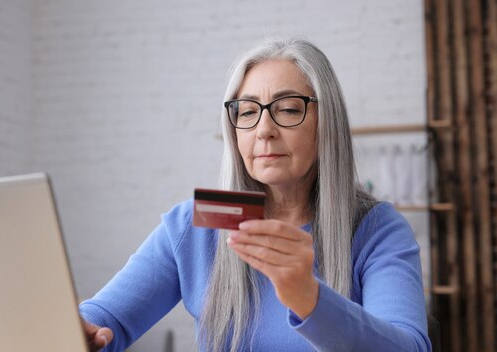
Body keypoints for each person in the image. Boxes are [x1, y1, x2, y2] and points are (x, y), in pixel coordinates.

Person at [79, 38, 431, 352]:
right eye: (247, 111)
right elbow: (105, 318)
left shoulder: (377, 230)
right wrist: (78, 331)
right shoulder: (196, 222)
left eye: (289, 109)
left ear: (327, 123)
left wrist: (310, 299)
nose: (264, 130)